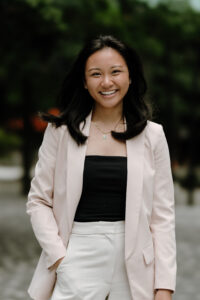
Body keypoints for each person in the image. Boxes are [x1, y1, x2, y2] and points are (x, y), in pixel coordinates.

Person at [26, 35, 176, 300]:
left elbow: (162, 217)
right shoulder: (60, 132)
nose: (107, 82)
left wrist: (164, 285)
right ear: (84, 82)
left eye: (116, 72)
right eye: (96, 74)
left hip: (135, 265)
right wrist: (61, 258)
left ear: (130, 76)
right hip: (77, 253)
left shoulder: (153, 135)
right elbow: (38, 201)